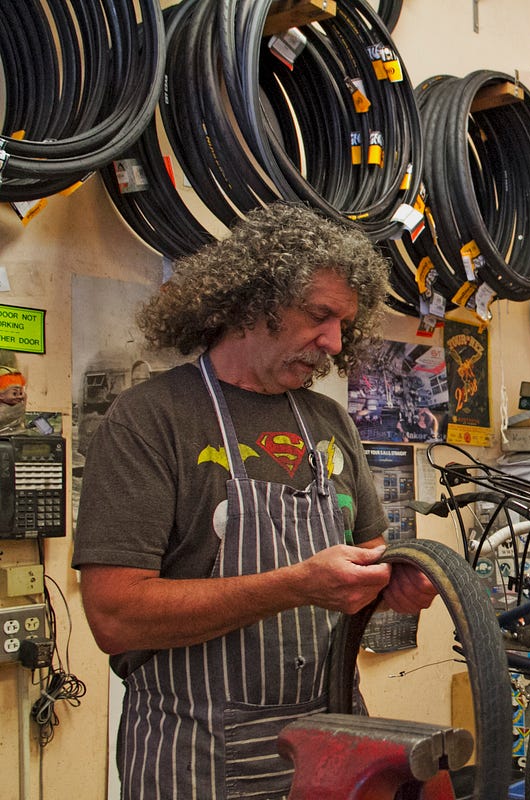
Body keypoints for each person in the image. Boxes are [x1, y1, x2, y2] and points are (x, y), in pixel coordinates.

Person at [73, 204, 438, 799]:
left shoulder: (329, 421)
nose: (334, 342)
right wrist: (294, 586)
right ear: (252, 302)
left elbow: (370, 558)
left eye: (344, 324)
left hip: (332, 738)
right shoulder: (150, 419)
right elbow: (114, 617)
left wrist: (395, 582)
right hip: (194, 753)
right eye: (319, 315)